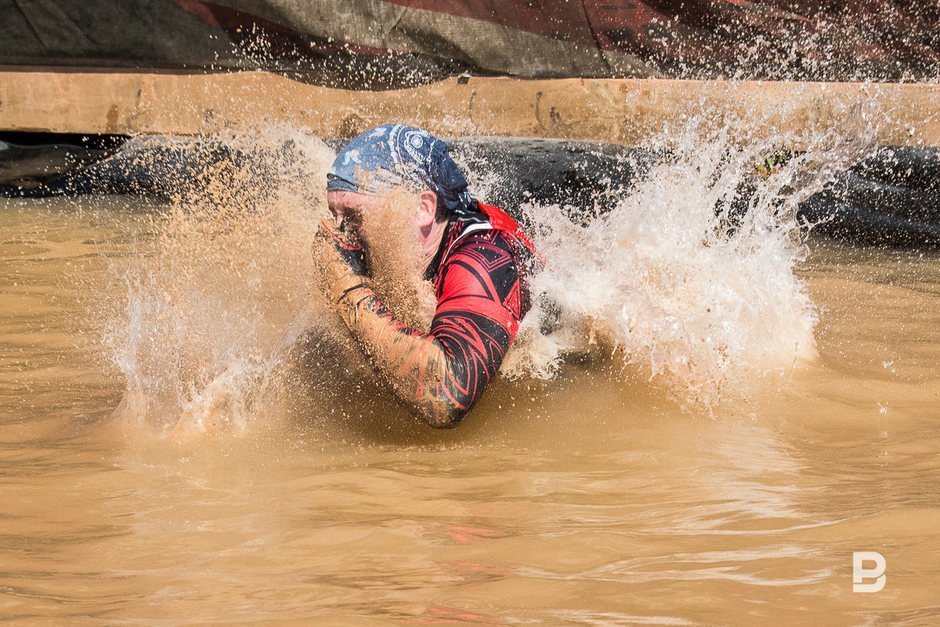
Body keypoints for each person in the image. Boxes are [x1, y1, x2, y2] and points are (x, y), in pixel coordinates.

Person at [313, 124, 537, 428]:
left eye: (354, 216)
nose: (341, 234)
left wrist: (349, 290)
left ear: (424, 209)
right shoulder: (403, 255)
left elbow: (447, 397)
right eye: (335, 215)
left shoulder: (483, 257)